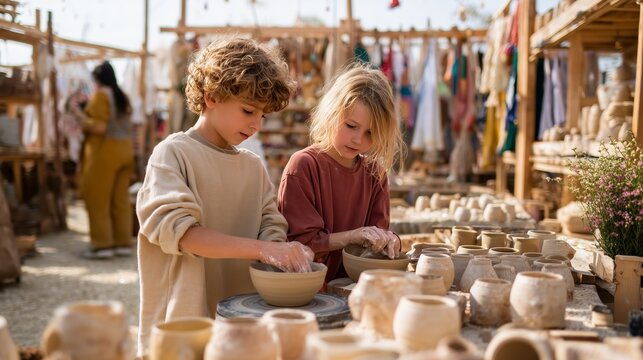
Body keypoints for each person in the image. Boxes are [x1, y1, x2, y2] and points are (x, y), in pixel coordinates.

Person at [135, 37, 314, 356]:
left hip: (243, 326)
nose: (256, 124)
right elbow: (183, 235)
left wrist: (281, 251)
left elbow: (272, 227)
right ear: (212, 96)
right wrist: (264, 250)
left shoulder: (253, 167)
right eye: (248, 110)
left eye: (262, 115)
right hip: (185, 326)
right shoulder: (173, 154)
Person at [278, 64, 405, 284]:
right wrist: (352, 236)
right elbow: (299, 245)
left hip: (356, 287)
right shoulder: (304, 166)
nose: (358, 139)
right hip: (307, 289)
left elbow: (377, 237)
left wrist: (390, 240)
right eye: (351, 126)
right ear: (331, 112)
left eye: (370, 133)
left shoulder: (375, 174)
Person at [71, 61, 135, 259]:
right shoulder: (122, 96)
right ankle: (122, 242)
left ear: (97, 79)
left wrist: (79, 116)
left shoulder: (101, 95)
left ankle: (102, 245)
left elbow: (99, 127)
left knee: (98, 199)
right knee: (120, 200)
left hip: (105, 150)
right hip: (126, 150)